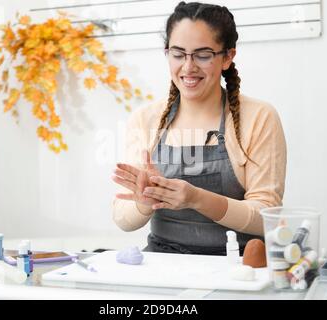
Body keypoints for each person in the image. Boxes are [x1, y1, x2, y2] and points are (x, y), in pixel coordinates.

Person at [112, 1, 287, 255]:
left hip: (239, 266)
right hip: (163, 263)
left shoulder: (259, 117)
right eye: (178, 54)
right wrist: (144, 202)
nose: (188, 67)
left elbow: (266, 217)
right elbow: (122, 218)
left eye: (203, 55)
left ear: (227, 57)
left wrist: (197, 199)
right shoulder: (145, 119)